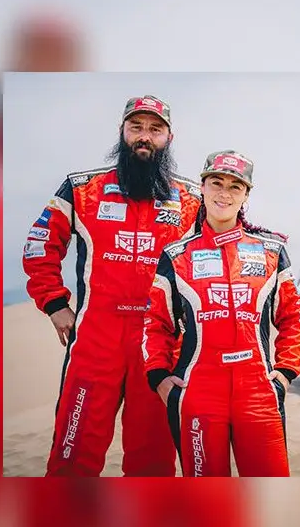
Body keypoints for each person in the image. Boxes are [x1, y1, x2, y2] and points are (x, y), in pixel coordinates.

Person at [22, 94, 202, 477]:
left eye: (155, 129)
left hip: (159, 349)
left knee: (152, 463)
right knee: (74, 454)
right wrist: (55, 305)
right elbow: (40, 246)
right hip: (95, 344)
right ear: (121, 131)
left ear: (169, 138)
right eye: (136, 127)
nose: (144, 137)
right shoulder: (81, 188)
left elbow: (220, 260)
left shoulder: (192, 199)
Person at [143, 149, 300, 477]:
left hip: (258, 391)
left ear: (246, 195)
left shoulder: (271, 251)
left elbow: (293, 316)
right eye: (216, 182)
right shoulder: (176, 256)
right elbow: (156, 322)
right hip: (199, 393)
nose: (224, 193)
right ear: (202, 187)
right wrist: (160, 378)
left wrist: (286, 372)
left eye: (235, 186)